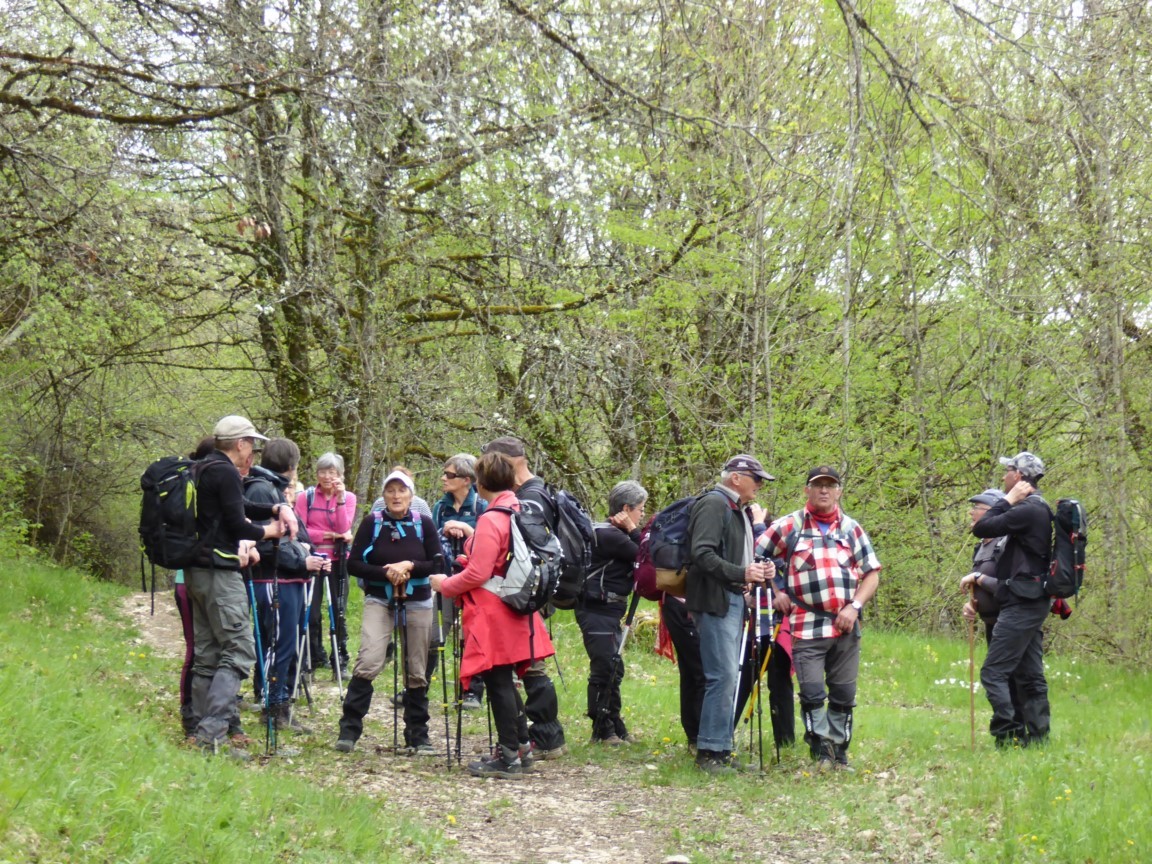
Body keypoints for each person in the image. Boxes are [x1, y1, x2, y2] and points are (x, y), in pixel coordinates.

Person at [429, 451, 557, 779]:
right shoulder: (520, 509)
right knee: (506, 681)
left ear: (481, 483)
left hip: (494, 611)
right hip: (519, 607)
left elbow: (478, 573)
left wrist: (445, 584)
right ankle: (522, 747)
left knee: (498, 680)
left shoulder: (491, 518)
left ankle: (508, 756)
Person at [186, 415, 298, 757]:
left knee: (208, 655)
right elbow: (238, 523)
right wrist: (270, 531)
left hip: (196, 571)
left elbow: (239, 507)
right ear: (240, 444)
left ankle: (205, 732)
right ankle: (213, 733)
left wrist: (275, 506)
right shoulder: (224, 472)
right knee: (238, 649)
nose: (253, 452)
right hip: (220, 573)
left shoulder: (202, 468)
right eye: (252, 444)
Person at [759, 465, 880, 772]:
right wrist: (776, 590)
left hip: (845, 625)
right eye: (818, 485)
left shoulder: (852, 529)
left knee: (843, 693)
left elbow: (872, 573)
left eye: (830, 485)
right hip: (805, 624)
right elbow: (759, 555)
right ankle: (820, 751)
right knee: (812, 692)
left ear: (839, 491)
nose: (824, 490)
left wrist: (853, 606)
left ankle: (839, 753)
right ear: (807, 491)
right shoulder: (790, 525)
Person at [336, 470, 442, 755]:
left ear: (411, 495)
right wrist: (386, 573)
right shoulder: (373, 523)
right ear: (383, 496)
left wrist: (408, 566)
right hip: (379, 600)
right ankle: (349, 730)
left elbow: (438, 563)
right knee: (369, 659)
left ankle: (418, 735)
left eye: (401, 490)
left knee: (416, 669)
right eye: (390, 491)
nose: (396, 496)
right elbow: (354, 564)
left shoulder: (425, 524)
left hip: (418, 600)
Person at [685, 454, 774, 774]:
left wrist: (756, 573)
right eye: (757, 478)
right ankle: (709, 753)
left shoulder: (736, 509)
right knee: (721, 676)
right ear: (736, 477)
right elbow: (701, 553)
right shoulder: (714, 504)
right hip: (714, 601)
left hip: (731, 599)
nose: (761, 485)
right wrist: (742, 572)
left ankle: (720, 750)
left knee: (728, 677)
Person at [480, 436, 567, 758]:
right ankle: (537, 736)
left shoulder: (530, 497)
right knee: (529, 664)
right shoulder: (535, 492)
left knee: (531, 666)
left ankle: (546, 736)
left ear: (509, 460)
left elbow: (526, 551)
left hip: (525, 592)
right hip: (530, 590)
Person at [243, 438, 331, 733]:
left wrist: (313, 556)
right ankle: (272, 707)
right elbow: (259, 542)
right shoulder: (260, 490)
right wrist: (300, 561)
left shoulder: (273, 490)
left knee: (288, 646)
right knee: (278, 645)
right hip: (272, 580)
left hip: (290, 580)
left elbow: (295, 539)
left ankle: (282, 705)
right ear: (292, 466)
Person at [970, 451, 1053, 747]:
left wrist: (1008, 500)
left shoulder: (1028, 509)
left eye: (1007, 471)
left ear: (1018, 476)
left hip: (1023, 601)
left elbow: (981, 528)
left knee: (994, 672)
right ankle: (1038, 739)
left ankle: (1008, 737)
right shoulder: (1038, 508)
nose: (1003, 477)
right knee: (1029, 673)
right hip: (1031, 597)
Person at [577, 480, 647, 744]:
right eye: (640, 509)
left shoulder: (610, 533)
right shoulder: (610, 536)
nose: (641, 515)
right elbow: (647, 557)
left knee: (613, 667)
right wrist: (633, 530)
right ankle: (602, 729)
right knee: (605, 667)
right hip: (596, 608)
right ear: (626, 508)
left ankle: (614, 723)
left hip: (607, 610)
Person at [431, 454, 488, 711]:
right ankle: (417, 685)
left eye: (450, 475)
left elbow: (490, 543)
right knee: (435, 632)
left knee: (472, 635)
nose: (444, 478)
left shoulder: (482, 506)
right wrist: (444, 529)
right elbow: (430, 541)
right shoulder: (439, 508)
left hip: (475, 581)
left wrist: (466, 530)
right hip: (446, 578)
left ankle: (471, 692)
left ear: (467, 480)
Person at [296, 452, 357, 677]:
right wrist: (329, 534)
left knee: (339, 612)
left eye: (332, 472)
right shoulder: (306, 497)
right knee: (311, 612)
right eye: (323, 471)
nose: (327, 476)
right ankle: (312, 658)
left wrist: (339, 500)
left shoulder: (348, 498)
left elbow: (344, 528)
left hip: (338, 562)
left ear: (340, 474)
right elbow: (302, 531)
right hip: (312, 561)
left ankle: (340, 660)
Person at [175, 436, 215, 739]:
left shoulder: (195, 484)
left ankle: (204, 713)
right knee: (197, 649)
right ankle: (190, 713)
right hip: (189, 579)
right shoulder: (197, 486)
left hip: (196, 578)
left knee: (205, 649)